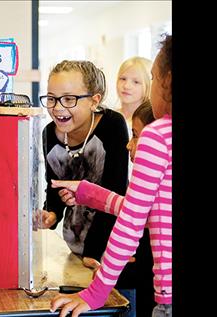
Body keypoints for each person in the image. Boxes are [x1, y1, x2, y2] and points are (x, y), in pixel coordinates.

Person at [49, 34, 172, 317]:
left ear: (167, 82)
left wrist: (96, 292)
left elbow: (132, 219)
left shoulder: (157, 135)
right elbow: (151, 211)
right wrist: (86, 191)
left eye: (151, 79)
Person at [38, 60, 148, 315]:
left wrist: (94, 251)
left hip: (112, 253)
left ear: (94, 100)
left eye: (69, 99)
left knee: (120, 307)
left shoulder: (112, 125)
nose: (58, 108)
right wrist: (51, 213)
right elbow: (53, 187)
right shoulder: (47, 135)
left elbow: (115, 191)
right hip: (75, 250)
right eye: (52, 99)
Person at [115, 56, 152, 128]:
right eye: (123, 79)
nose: (126, 86)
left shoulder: (148, 124)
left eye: (136, 82)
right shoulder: (108, 116)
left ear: (148, 86)